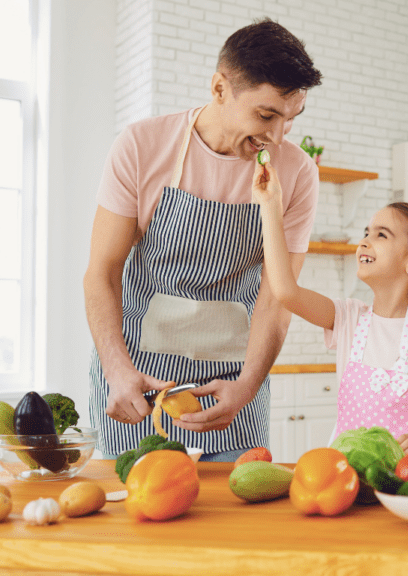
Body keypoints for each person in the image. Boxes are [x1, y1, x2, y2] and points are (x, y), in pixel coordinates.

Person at [83, 18, 323, 461]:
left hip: (232, 384)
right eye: (266, 115)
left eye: (291, 119)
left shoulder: (298, 173)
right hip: (141, 380)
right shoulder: (143, 145)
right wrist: (117, 370)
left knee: (231, 524)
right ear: (219, 89)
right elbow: (102, 272)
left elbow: (276, 298)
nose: (278, 135)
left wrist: (248, 386)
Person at [254, 163, 408, 457]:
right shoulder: (348, 317)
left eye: (381, 235)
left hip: (407, 474)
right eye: (367, 232)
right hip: (345, 469)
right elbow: (286, 290)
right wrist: (271, 205)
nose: (364, 240)